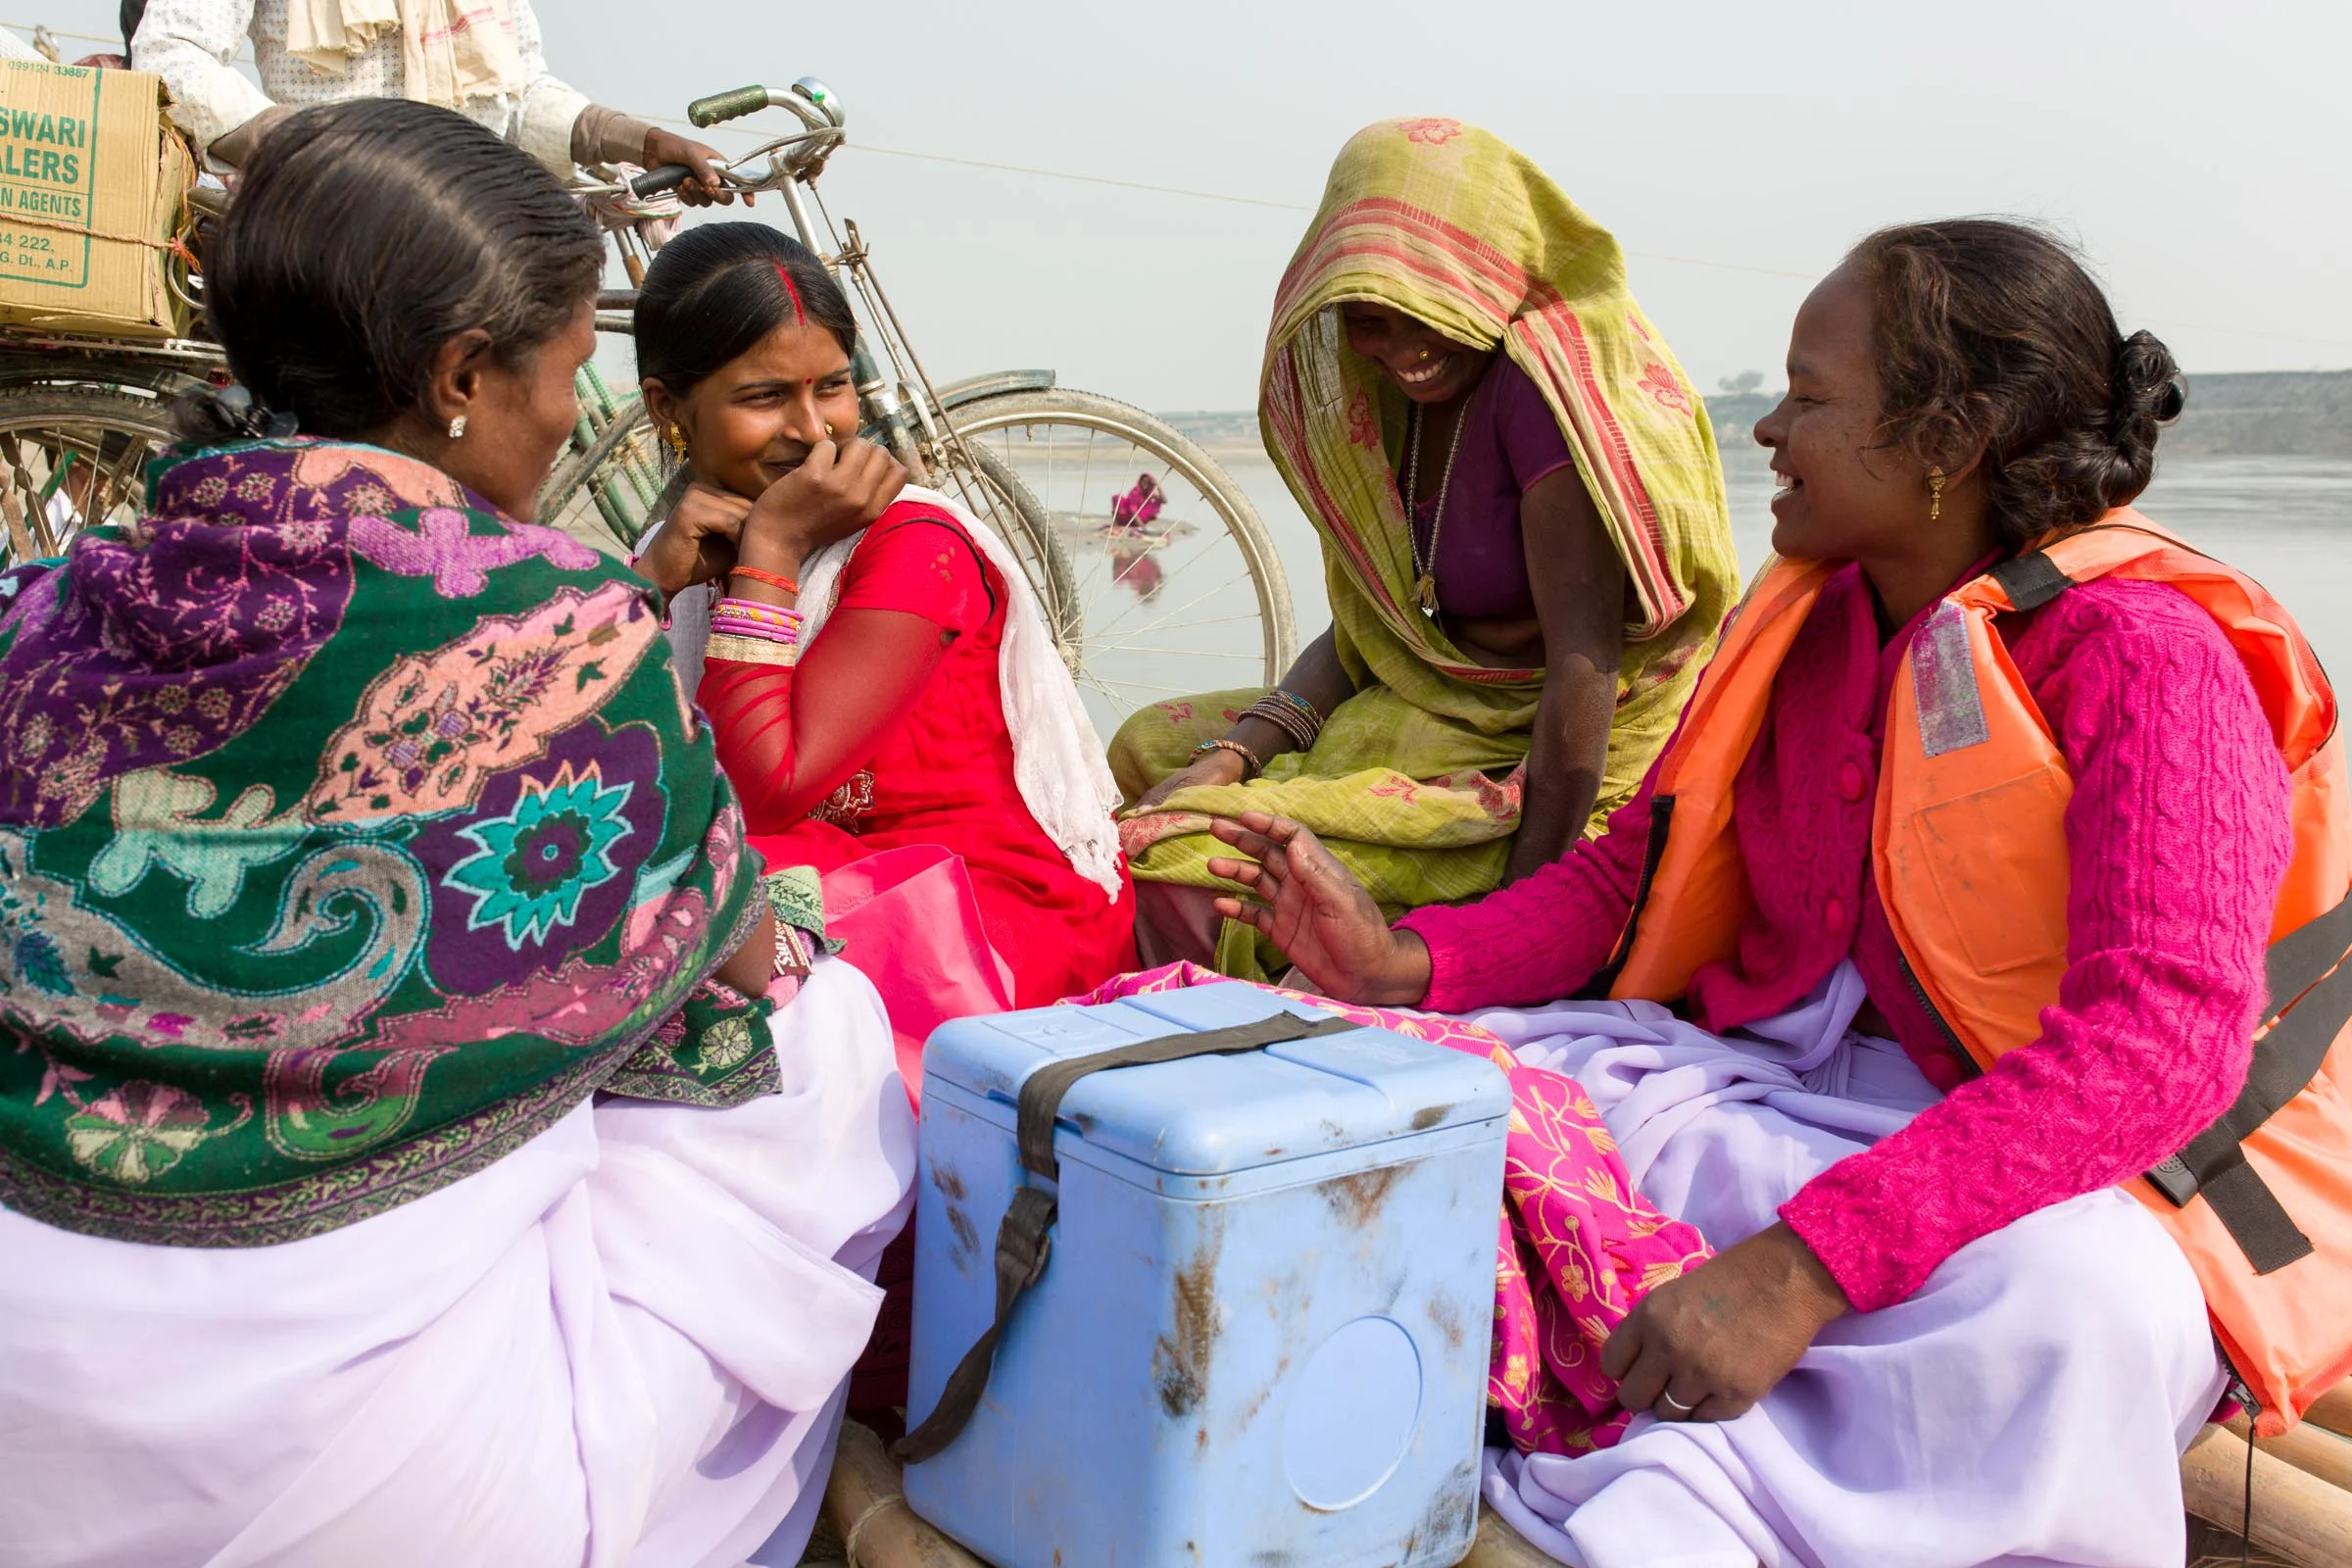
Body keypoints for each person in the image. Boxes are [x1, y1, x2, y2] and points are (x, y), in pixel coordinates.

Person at [1178, 220, 2352, 1565]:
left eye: (1809, 394)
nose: (1768, 431)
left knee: (2092, 1309)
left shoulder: (2147, 656)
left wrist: (1801, 1270)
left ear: (1947, 437)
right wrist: (1407, 968)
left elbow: (2159, 1047)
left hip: (2033, 1174)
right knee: (1396, 1099)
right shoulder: (1808, 623)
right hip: (1754, 1099)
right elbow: (1638, 872)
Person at [0, 101, 912, 1567]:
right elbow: (740, 961)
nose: (567, 417)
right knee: (827, 1031)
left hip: (29, 1406)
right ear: (460, 376)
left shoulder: (43, 601)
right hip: (358, 1479)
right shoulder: (568, 624)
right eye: (559, 375)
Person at [1108, 119, 1740, 982]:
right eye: (1370, 323)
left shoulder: (1541, 399)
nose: (1404, 352)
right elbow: (1371, 631)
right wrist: (1239, 751)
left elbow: (1583, 669)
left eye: (1426, 317)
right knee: (1152, 746)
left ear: (1484, 280)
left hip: (1533, 752)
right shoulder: (1390, 404)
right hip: (1420, 704)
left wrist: (1523, 919)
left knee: (1178, 853)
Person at [629, 222, 1139, 1082]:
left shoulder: (915, 546)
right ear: (666, 411)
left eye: (832, 388)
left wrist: (774, 553)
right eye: (762, 397)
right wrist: (649, 580)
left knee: (692, 898)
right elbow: (573, 737)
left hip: (981, 915)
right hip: (829, 877)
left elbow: (770, 789)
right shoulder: (685, 543)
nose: (810, 430)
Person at [129, 0, 731, 200]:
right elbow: (169, 55)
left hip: (469, 219)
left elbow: (516, 99)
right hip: (334, 218)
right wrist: (308, 144)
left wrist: (644, 141)